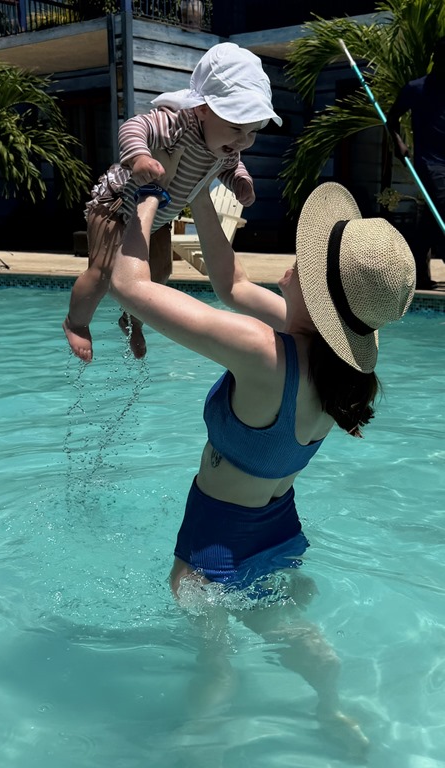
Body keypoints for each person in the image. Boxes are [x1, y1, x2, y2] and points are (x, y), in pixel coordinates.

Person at [108, 171, 416, 755]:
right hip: (276, 526)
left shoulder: (263, 353)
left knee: (214, 656)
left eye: (308, 258)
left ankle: (200, 737)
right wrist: (200, 190)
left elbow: (128, 285)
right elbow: (232, 283)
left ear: (319, 295)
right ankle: (328, 703)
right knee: (279, 623)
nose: (296, 261)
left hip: (214, 538)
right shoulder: (336, 364)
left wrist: (145, 200)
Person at [62, 42, 282, 362]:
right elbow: (134, 126)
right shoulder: (177, 123)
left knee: (159, 277)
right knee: (102, 273)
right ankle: (76, 323)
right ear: (203, 108)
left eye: (252, 132)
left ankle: (133, 321)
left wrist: (240, 182)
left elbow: (233, 165)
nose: (242, 141)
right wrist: (139, 157)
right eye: (237, 127)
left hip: (159, 217)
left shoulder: (226, 145)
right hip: (116, 207)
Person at [387, 36, 445, 289]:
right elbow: (392, 118)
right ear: (437, 58)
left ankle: (419, 275)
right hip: (429, 163)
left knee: (430, 222)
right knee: (442, 210)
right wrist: (398, 142)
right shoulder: (416, 88)